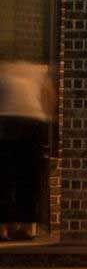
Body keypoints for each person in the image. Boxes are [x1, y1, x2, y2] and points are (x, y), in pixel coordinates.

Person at [0, 60, 53, 241]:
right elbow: (49, 97)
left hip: (7, 123)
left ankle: (5, 227)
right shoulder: (39, 70)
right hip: (33, 122)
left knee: (5, 178)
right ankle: (26, 227)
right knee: (28, 178)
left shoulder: (5, 69)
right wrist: (48, 118)